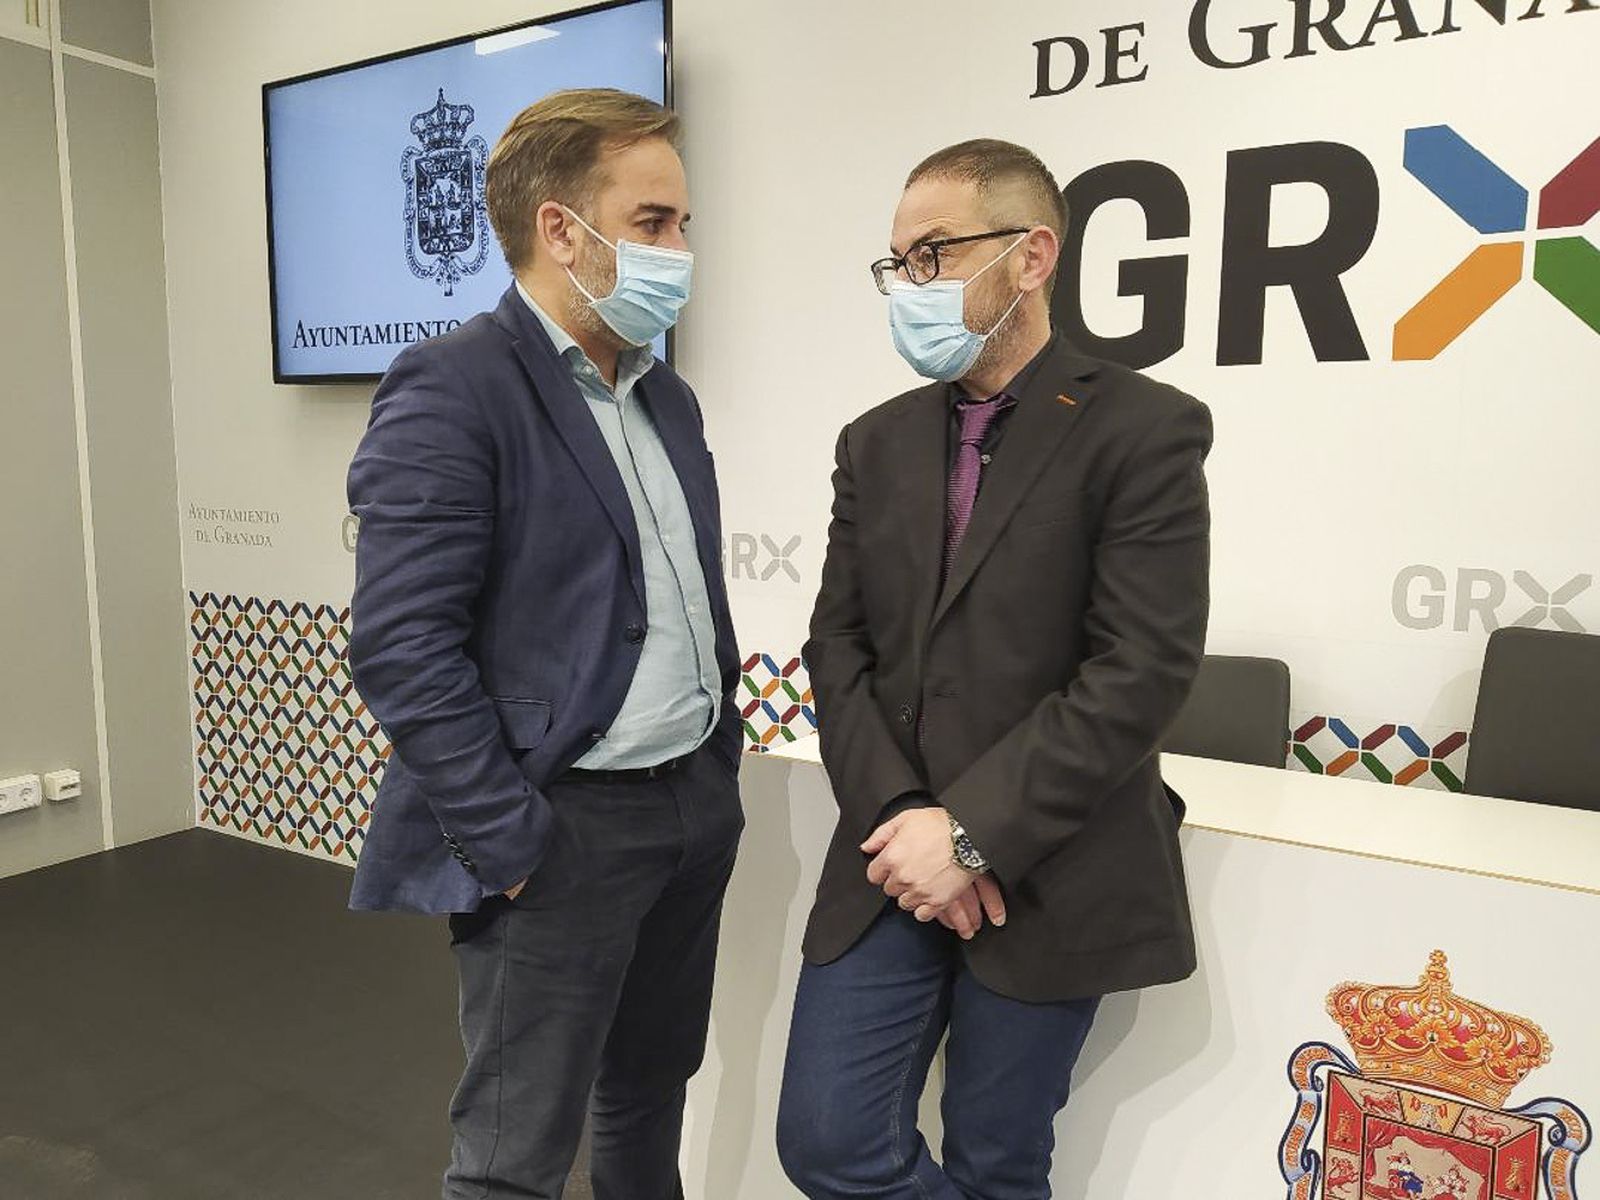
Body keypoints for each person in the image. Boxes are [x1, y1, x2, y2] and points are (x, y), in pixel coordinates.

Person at [777, 138, 1213, 1199]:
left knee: (998, 1159)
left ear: (1031, 256)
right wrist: (908, 821)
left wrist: (972, 836)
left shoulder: (1143, 427)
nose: (907, 285)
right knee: (828, 1142)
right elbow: (838, 644)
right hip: (890, 859)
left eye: (932, 253)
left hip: (1053, 865)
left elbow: (1139, 668)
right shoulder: (873, 442)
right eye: (897, 263)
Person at [345, 88, 744, 1200]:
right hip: (559, 830)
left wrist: (717, 758)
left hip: (690, 809)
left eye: (681, 226)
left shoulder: (667, 401)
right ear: (563, 230)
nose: (679, 249)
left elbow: (681, 599)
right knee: (514, 1154)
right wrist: (508, 840)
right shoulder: (455, 387)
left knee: (649, 1088)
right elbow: (401, 645)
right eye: (655, 222)